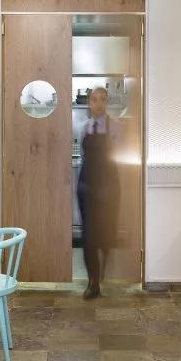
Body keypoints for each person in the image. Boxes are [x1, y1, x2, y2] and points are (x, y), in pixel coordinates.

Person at [77, 86, 119, 299]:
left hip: (109, 186)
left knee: (106, 232)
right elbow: (83, 156)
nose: (98, 103)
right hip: (86, 186)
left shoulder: (116, 126)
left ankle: (105, 259)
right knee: (89, 235)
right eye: (94, 99)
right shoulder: (84, 127)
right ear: (89, 103)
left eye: (103, 99)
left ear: (107, 102)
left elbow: (120, 154)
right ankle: (93, 282)